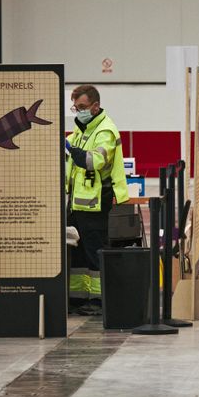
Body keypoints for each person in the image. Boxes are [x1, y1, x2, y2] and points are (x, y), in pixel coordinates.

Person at [65, 85, 129, 311]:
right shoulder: (80, 132)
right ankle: (78, 297)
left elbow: (94, 161)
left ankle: (99, 300)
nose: (78, 111)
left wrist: (69, 149)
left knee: (94, 253)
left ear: (95, 106)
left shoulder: (105, 131)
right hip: (77, 204)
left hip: (97, 203)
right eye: (75, 107)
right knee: (79, 253)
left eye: (82, 107)